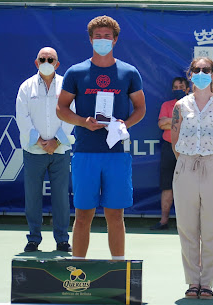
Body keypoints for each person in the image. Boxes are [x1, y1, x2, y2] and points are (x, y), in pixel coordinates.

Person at [56, 15, 146, 260]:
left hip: (116, 154)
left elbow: (140, 108)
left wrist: (123, 124)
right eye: (98, 37)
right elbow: (61, 108)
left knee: (115, 215)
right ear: (90, 39)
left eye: (107, 36)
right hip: (85, 152)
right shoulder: (76, 72)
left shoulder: (129, 72)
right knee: (83, 215)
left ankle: (118, 269)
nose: (103, 40)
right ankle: (77, 268)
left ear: (115, 40)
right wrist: (82, 122)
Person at [171, 57, 213, 299]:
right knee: (187, 227)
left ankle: (206, 281)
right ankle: (192, 281)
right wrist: (187, 161)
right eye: (196, 69)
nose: (201, 73)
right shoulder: (180, 106)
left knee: (212, 227)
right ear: (190, 74)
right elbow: (175, 140)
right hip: (186, 165)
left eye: (206, 69)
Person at [15, 47, 74, 253]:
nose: (46, 61)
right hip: (34, 151)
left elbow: (72, 114)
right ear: (36, 62)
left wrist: (56, 142)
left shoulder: (67, 85)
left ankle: (62, 239)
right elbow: (22, 117)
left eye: (51, 59)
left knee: (61, 197)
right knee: (32, 197)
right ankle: (33, 239)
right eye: (43, 59)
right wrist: (40, 141)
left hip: (60, 150)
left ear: (57, 63)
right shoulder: (26, 87)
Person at [151, 77, 190, 230]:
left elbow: (191, 124)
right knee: (167, 186)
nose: (178, 89)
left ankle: (188, 224)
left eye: (181, 86)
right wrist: (180, 121)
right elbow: (161, 124)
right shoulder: (166, 105)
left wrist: (171, 122)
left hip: (188, 149)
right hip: (168, 148)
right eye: (175, 87)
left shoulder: (194, 105)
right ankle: (164, 221)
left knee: (189, 186)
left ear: (187, 89)